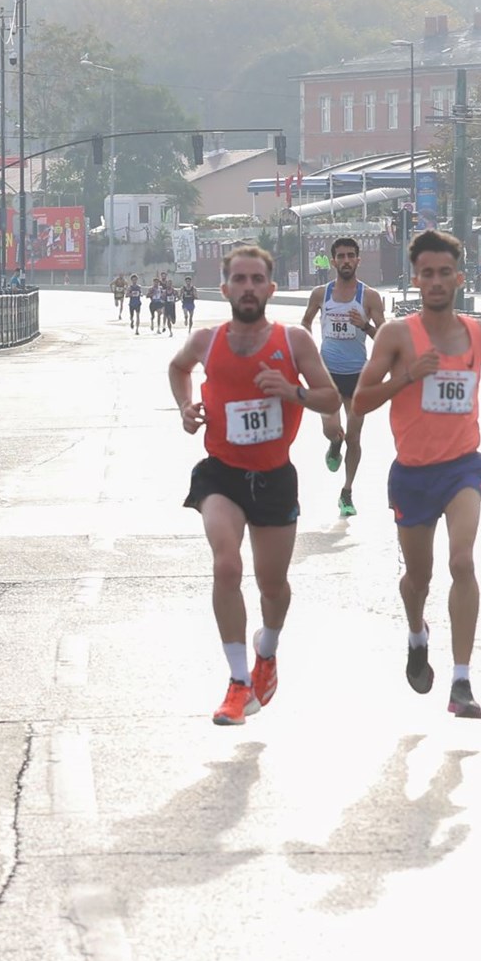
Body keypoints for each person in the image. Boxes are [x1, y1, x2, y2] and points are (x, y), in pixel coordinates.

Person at [169, 246, 341, 726]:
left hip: (274, 476)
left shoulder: (294, 340)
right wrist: (185, 407)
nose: (248, 288)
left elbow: (330, 397)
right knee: (226, 566)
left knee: (273, 585)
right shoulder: (206, 341)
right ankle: (238, 682)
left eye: (257, 280)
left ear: (271, 288)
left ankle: (267, 650)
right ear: (225, 288)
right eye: (239, 280)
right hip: (221, 472)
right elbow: (178, 368)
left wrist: (292, 391)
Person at [353, 229, 481, 720]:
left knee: (461, 563)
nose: (437, 281)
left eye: (445, 273)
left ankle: (461, 681)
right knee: (417, 578)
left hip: (463, 466)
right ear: (416, 279)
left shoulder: (479, 333)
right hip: (413, 474)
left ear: (459, 278)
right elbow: (360, 400)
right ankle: (417, 634)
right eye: (427, 274)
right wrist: (407, 376)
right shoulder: (396, 335)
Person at [301, 235, 385, 517]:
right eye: (341, 256)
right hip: (327, 374)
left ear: (358, 260)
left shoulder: (369, 296)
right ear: (333, 261)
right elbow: (305, 323)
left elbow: (385, 338)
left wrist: (365, 326)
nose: (346, 261)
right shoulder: (320, 294)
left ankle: (347, 492)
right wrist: (309, 354)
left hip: (358, 375)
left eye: (351, 256)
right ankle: (333, 444)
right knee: (331, 430)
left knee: (355, 437)